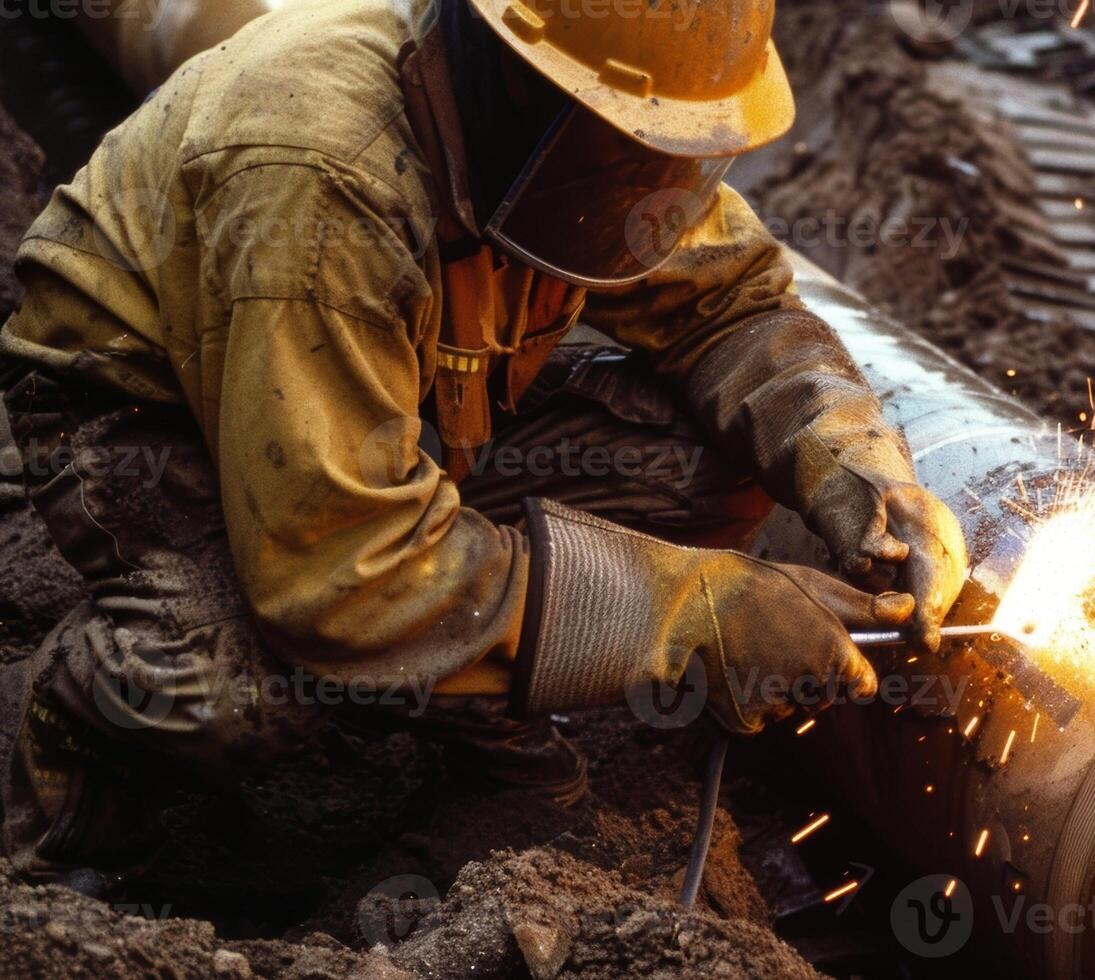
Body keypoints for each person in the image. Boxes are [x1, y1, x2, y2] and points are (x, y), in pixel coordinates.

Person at [0, 0, 967, 875]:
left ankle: (453, 687)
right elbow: (340, 572)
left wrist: (859, 475)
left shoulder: (587, 142)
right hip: (150, 419)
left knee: (699, 468)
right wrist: (685, 615)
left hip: (374, 402)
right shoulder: (321, 175)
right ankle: (80, 724)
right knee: (244, 683)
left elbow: (733, 308)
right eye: (627, 151)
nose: (650, 187)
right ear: (518, 77)